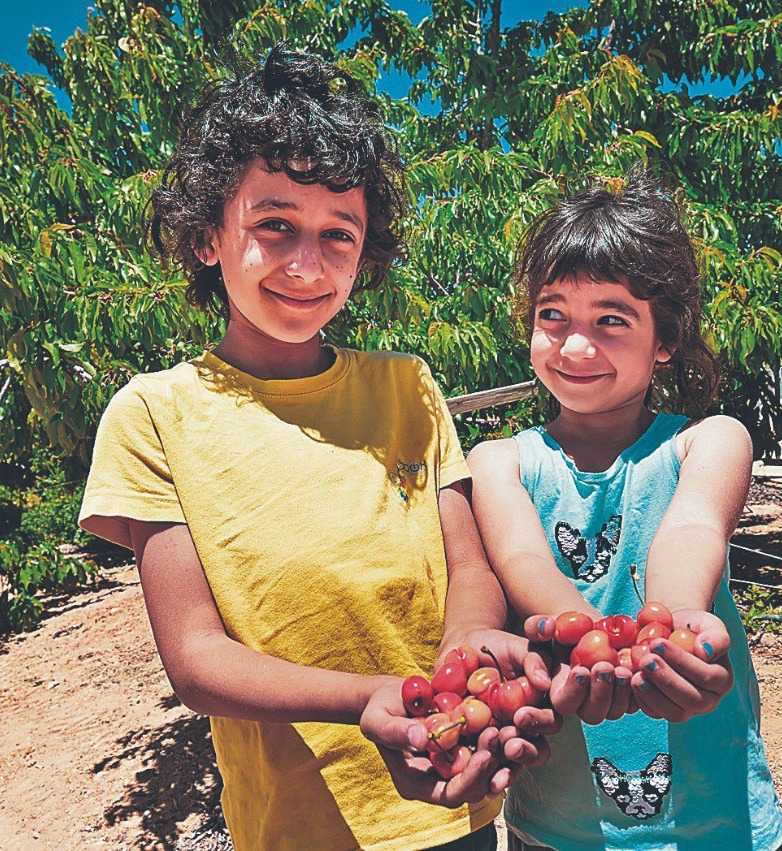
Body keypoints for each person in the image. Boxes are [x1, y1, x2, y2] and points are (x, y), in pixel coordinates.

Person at [78, 44, 555, 851]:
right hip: (297, 820)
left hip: (452, 793)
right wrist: (373, 698)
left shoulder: (408, 385)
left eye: (339, 234)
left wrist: (463, 655)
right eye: (274, 225)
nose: (307, 264)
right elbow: (195, 657)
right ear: (205, 237)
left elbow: (467, 566)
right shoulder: (154, 413)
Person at [467, 168, 782, 850]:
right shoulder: (497, 460)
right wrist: (593, 640)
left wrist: (663, 631)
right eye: (552, 314)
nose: (574, 344)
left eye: (611, 319)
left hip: (715, 824)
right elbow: (519, 553)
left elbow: (691, 526)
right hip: (558, 826)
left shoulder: (708, 440)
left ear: (663, 338)